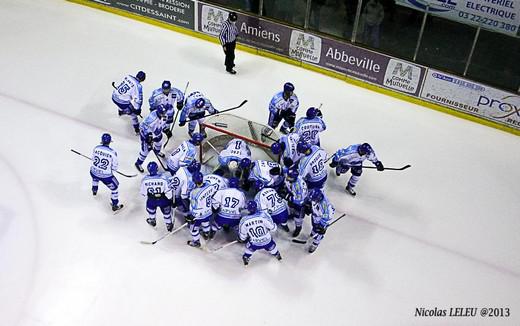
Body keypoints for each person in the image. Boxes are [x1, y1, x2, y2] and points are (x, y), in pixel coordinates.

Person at [238, 201, 282, 266]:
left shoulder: (244, 220)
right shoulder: (263, 215)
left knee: (249, 249)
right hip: (267, 241)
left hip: (255, 243)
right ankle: (277, 254)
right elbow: (273, 228)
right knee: (272, 247)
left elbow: (242, 237)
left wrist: (242, 238)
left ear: (248, 209)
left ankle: (246, 257)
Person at [90, 133, 123, 212]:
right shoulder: (112, 152)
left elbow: (92, 159)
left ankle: (94, 190)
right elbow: (115, 167)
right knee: (115, 188)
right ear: (109, 142)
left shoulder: (96, 148)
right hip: (106, 177)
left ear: (101, 141)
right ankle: (115, 205)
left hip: (93, 172)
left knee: (95, 177)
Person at [185, 172, 219, 247]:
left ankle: (196, 242)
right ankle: (206, 234)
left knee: (193, 229)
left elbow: (194, 207)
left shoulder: (194, 193)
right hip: (209, 212)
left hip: (199, 215)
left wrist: (191, 216)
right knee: (205, 223)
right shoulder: (210, 186)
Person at [140, 162, 173, 231]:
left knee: (151, 210)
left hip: (152, 200)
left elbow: (143, 193)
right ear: (157, 169)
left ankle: (152, 221)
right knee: (166, 213)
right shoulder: (164, 179)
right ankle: (169, 224)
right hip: (163, 200)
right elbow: (168, 191)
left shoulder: (144, 180)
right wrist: (170, 199)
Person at [134, 105, 167, 173]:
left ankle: (157, 152)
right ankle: (138, 163)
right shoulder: (152, 118)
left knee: (159, 144)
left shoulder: (164, 115)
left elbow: (163, 124)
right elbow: (142, 127)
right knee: (145, 151)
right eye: (162, 113)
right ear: (158, 112)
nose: (163, 114)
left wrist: (166, 129)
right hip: (146, 137)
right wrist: (147, 137)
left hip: (157, 134)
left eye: (164, 112)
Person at [307, 189, 335, 253]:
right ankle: (313, 233)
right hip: (316, 215)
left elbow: (327, 218)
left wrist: (322, 226)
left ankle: (315, 244)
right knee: (314, 227)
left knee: (319, 233)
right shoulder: (317, 195)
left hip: (322, 219)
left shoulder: (326, 208)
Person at [282, 169, 308, 237]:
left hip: (299, 204)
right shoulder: (294, 179)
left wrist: (287, 197)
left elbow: (299, 200)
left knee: (298, 218)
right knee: (290, 208)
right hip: (294, 197)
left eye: (289, 177)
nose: (287, 178)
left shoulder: (299, 187)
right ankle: (292, 214)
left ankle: (298, 228)